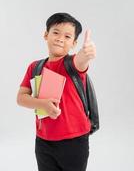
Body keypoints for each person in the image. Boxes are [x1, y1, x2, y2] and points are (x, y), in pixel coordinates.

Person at [17, 12, 96, 171]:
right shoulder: (35, 67)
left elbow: (81, 60)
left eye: (67, 37)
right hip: (43, 141)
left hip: (74, 141)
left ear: (74, 43)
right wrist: (42, 104)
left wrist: (86, 53)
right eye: (56, 32)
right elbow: (21, 98)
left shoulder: (73, 64)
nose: (60, 38)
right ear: (46, 35)